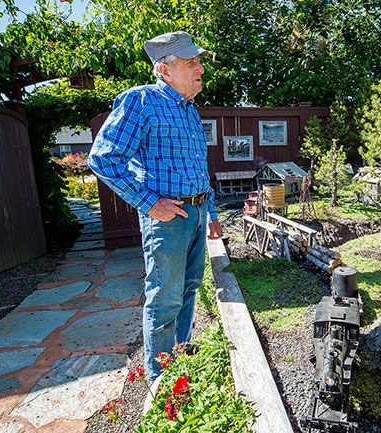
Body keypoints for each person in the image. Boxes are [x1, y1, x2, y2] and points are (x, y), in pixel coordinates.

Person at [88, 30, 222, 381]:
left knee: (189, 288)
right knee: (164, 301)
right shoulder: (142, 101)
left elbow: (198, 167)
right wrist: (150, 204)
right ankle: (161, 382)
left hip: (194, 214)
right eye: (191, 62)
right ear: (164, 69)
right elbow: (103, 159)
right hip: (168, 218)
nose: (200, 69)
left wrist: (209, 213)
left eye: (198, 62)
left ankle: (180, 359)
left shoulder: (190, 110)